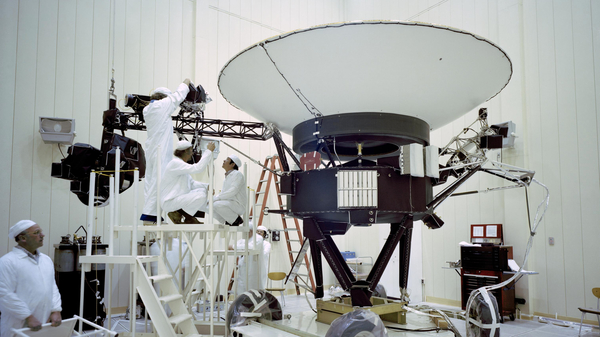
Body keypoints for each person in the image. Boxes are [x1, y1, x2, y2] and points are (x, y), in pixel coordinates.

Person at [140, 79, 191, 223]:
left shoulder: (148, 109)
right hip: (160, 151)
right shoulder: (162, 106)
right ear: (164, 98)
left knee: (151, 181)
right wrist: (186, 83)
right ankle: (150, 216)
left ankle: (154, 214)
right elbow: (177, 97)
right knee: (159, 180)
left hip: (152, 150)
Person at [0, 220, 62, 337]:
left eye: (41, 232)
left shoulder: (46, 260)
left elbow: (52, 287)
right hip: (18, 325)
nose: (42, 235)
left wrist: (56, 310)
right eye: (37, 232)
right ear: (23, 238)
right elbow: (5, 294)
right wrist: (28, 316)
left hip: (43, 323)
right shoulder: (7, 262)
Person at [161, 140, 215, 223]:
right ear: (186, 151)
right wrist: (208, 151)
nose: (193, 153)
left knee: (202, 191)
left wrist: (207, 186)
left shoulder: (180, 165)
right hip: (170, 201)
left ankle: (186, 216)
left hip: (176, 200)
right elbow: (198, 168)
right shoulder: (175, 163)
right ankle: (183, 215)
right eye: (191, 150)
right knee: (201, 195)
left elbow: (192, 183)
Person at [213, 154, 247, 226]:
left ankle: (236, 220)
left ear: (233, 164)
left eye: (227, 160)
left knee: (216, 204)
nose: (224, 161)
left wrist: (217, 198)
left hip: (238, 204)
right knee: (209, 206)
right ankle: (228, 220)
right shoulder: (227, 177)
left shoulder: (237, 174)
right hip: (229, 203)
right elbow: (224, 193)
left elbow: (233, 191)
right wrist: (214, 198)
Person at [229, 227, 264, 294]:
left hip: (253, 270)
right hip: (243, 269)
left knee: (253, 290)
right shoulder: (244, 239)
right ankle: (242, 303)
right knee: (242, 289)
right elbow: (238, 245)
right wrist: (233, 247)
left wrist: (233, 247)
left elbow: (250, 247)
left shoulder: (258, 238)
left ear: (251, 231)